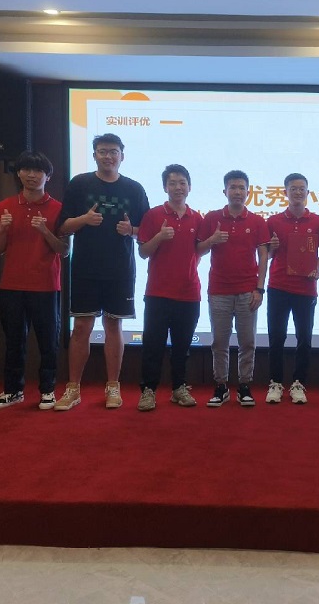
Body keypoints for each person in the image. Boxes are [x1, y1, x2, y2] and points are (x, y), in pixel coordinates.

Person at [55, 133, 149, 411]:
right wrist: (84, 219)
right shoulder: (80, 184)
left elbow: (147, 231)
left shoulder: (134, 188)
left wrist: (130, 230)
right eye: (102, 151)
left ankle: (113, 386)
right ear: (94, 154)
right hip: (85, 268)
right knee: (81, 327)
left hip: (120, 270)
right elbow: (62, 227)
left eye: (113, 151)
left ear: (122, 155)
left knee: (113, 326)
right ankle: (73, 388)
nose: (108, 156)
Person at [0, 151, 70, 410]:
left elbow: (64, 250)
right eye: (26, 170)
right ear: (19, 174)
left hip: (45, 284)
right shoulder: (4, 206)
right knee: (14, 341)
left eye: (38, 171)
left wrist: (45, 230)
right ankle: (13, 390)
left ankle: (48, 390)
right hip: (11, 284)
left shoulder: (58, 208)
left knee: (48, 341)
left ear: (48, 176)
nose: (32, 175)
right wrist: (3, 229)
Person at [135, 165, 205, 412]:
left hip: (189, 293)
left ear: (189, 187)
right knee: (152, 345)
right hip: (158, 292)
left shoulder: (197, 218)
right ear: (165, 187)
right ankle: (149, 390)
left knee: (182, 347)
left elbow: (199, 251)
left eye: (182, 183)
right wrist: (160, 237)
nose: (178, 187)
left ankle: (179, 388)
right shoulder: (154, 215)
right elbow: (143, 252)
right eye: (173, 183)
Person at [197, 170, 269, 408]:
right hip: (219, 290)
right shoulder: (212, 218)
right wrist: (212, 240)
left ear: (248, 192)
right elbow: (198, 250)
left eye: (241, 188)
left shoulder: (257, 221)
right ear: (225, 191)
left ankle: (245, 386)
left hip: (248, 290)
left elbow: (263, 256)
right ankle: (221, 387)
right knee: (220, 342)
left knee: (247, 342)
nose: (237, 192)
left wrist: (260, 289)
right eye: (233, 187)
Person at [265, 174, 319, 405]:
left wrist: (316, 267)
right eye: (293, 189)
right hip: (278, 286)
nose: (298, 193)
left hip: (306, 289)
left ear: (308, 193)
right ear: (285, 192)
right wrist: (271, 248)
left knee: (304, 338)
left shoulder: (318, 222)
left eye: (302, 189)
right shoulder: (273, 221)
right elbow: (266, 256)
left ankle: (299, 383)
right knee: (276, 337)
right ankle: (275, 383)